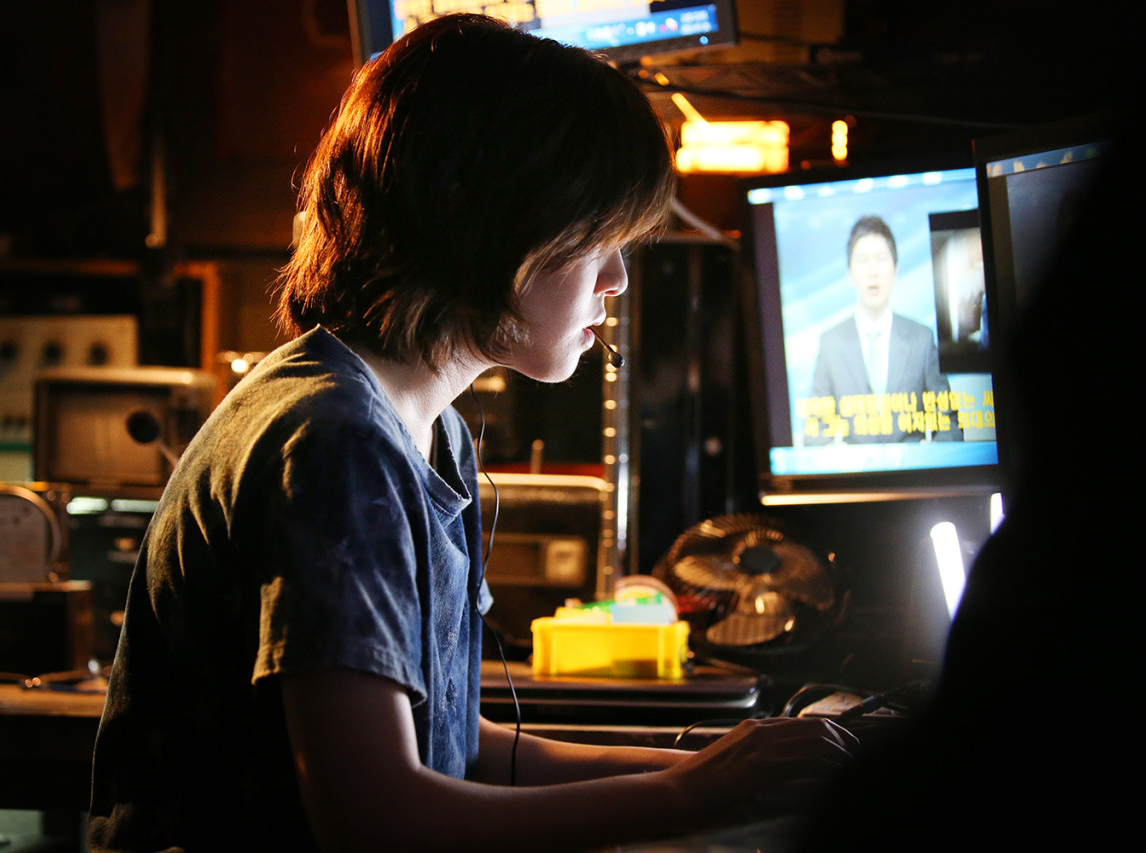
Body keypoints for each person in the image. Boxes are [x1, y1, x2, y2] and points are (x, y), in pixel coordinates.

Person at [86, 14, 855, 853]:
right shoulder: (336, 440)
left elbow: (464, 749)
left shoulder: (429, 431)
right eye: (598, 237)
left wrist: (714, 766)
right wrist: (691, 793)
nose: (617, 278)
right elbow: (377, 821)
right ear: (490, 219)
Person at [808, 215, 961, 443]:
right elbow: (814, 431)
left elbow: (950, 424)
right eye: (862, 260)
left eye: (881, 259)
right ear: (850, 272)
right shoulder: (831, 343)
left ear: (895, 269)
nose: (873, 271)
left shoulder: (921, 339)